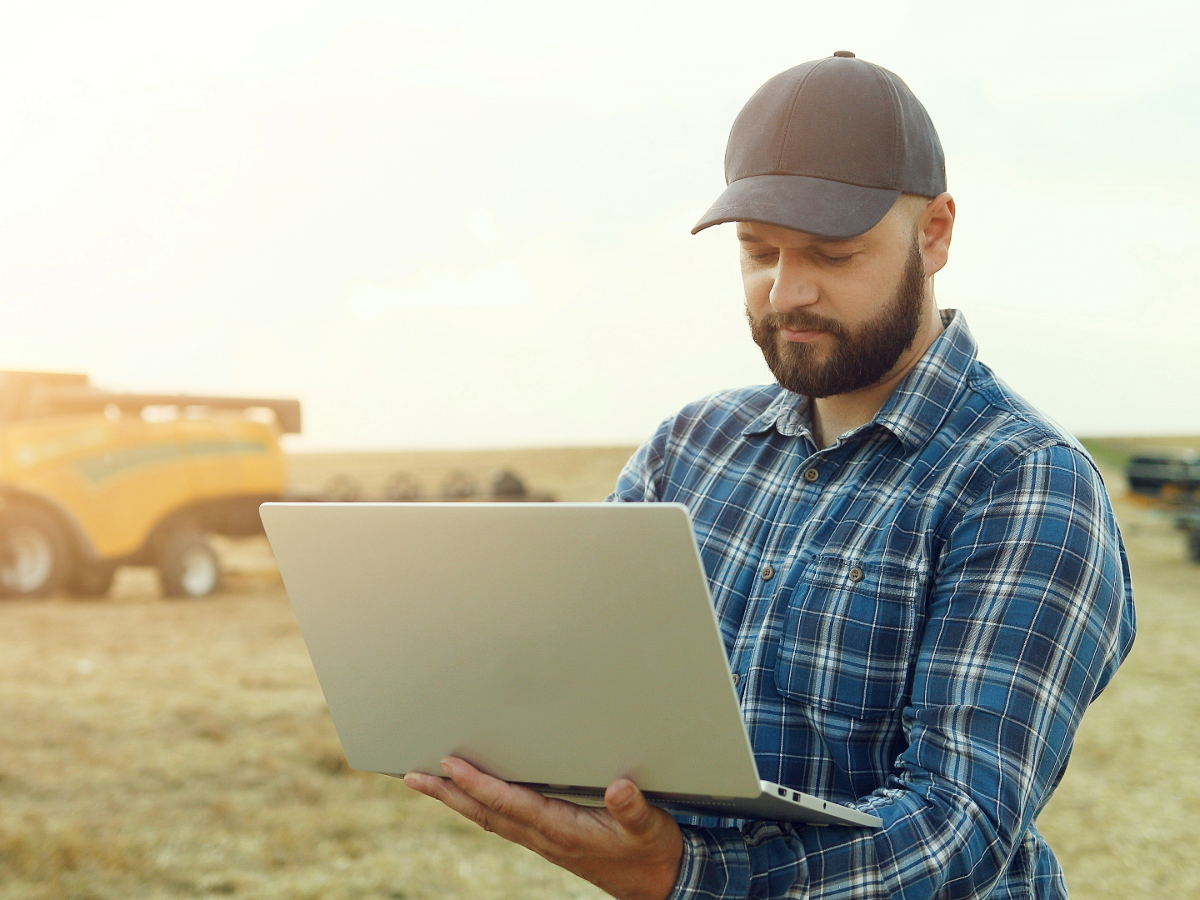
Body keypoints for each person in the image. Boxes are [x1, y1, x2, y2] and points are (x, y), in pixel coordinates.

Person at [404, 52, 1137, 900]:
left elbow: (956, 827)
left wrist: (689, 877)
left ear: (934, 233)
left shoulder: (1025, 482)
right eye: (759, 251)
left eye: (832, 254)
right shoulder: (691, 446)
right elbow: (585, 695)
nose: (788, 292)